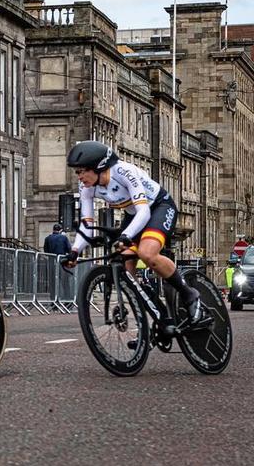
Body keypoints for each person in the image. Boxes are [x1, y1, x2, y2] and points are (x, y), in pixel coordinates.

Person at [61, 140, 208, 333]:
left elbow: (144, 212)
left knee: (147, 254)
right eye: (77, 173)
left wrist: (126, 236)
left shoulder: (124, 173)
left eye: (81, 171)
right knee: (125, 266)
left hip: (158, 207)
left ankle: (189, 294)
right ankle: (152, 322)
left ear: (98, 167)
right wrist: (74, 251)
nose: (79, 177)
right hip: (133, 215)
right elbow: (86, 225)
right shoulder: (87, 188)